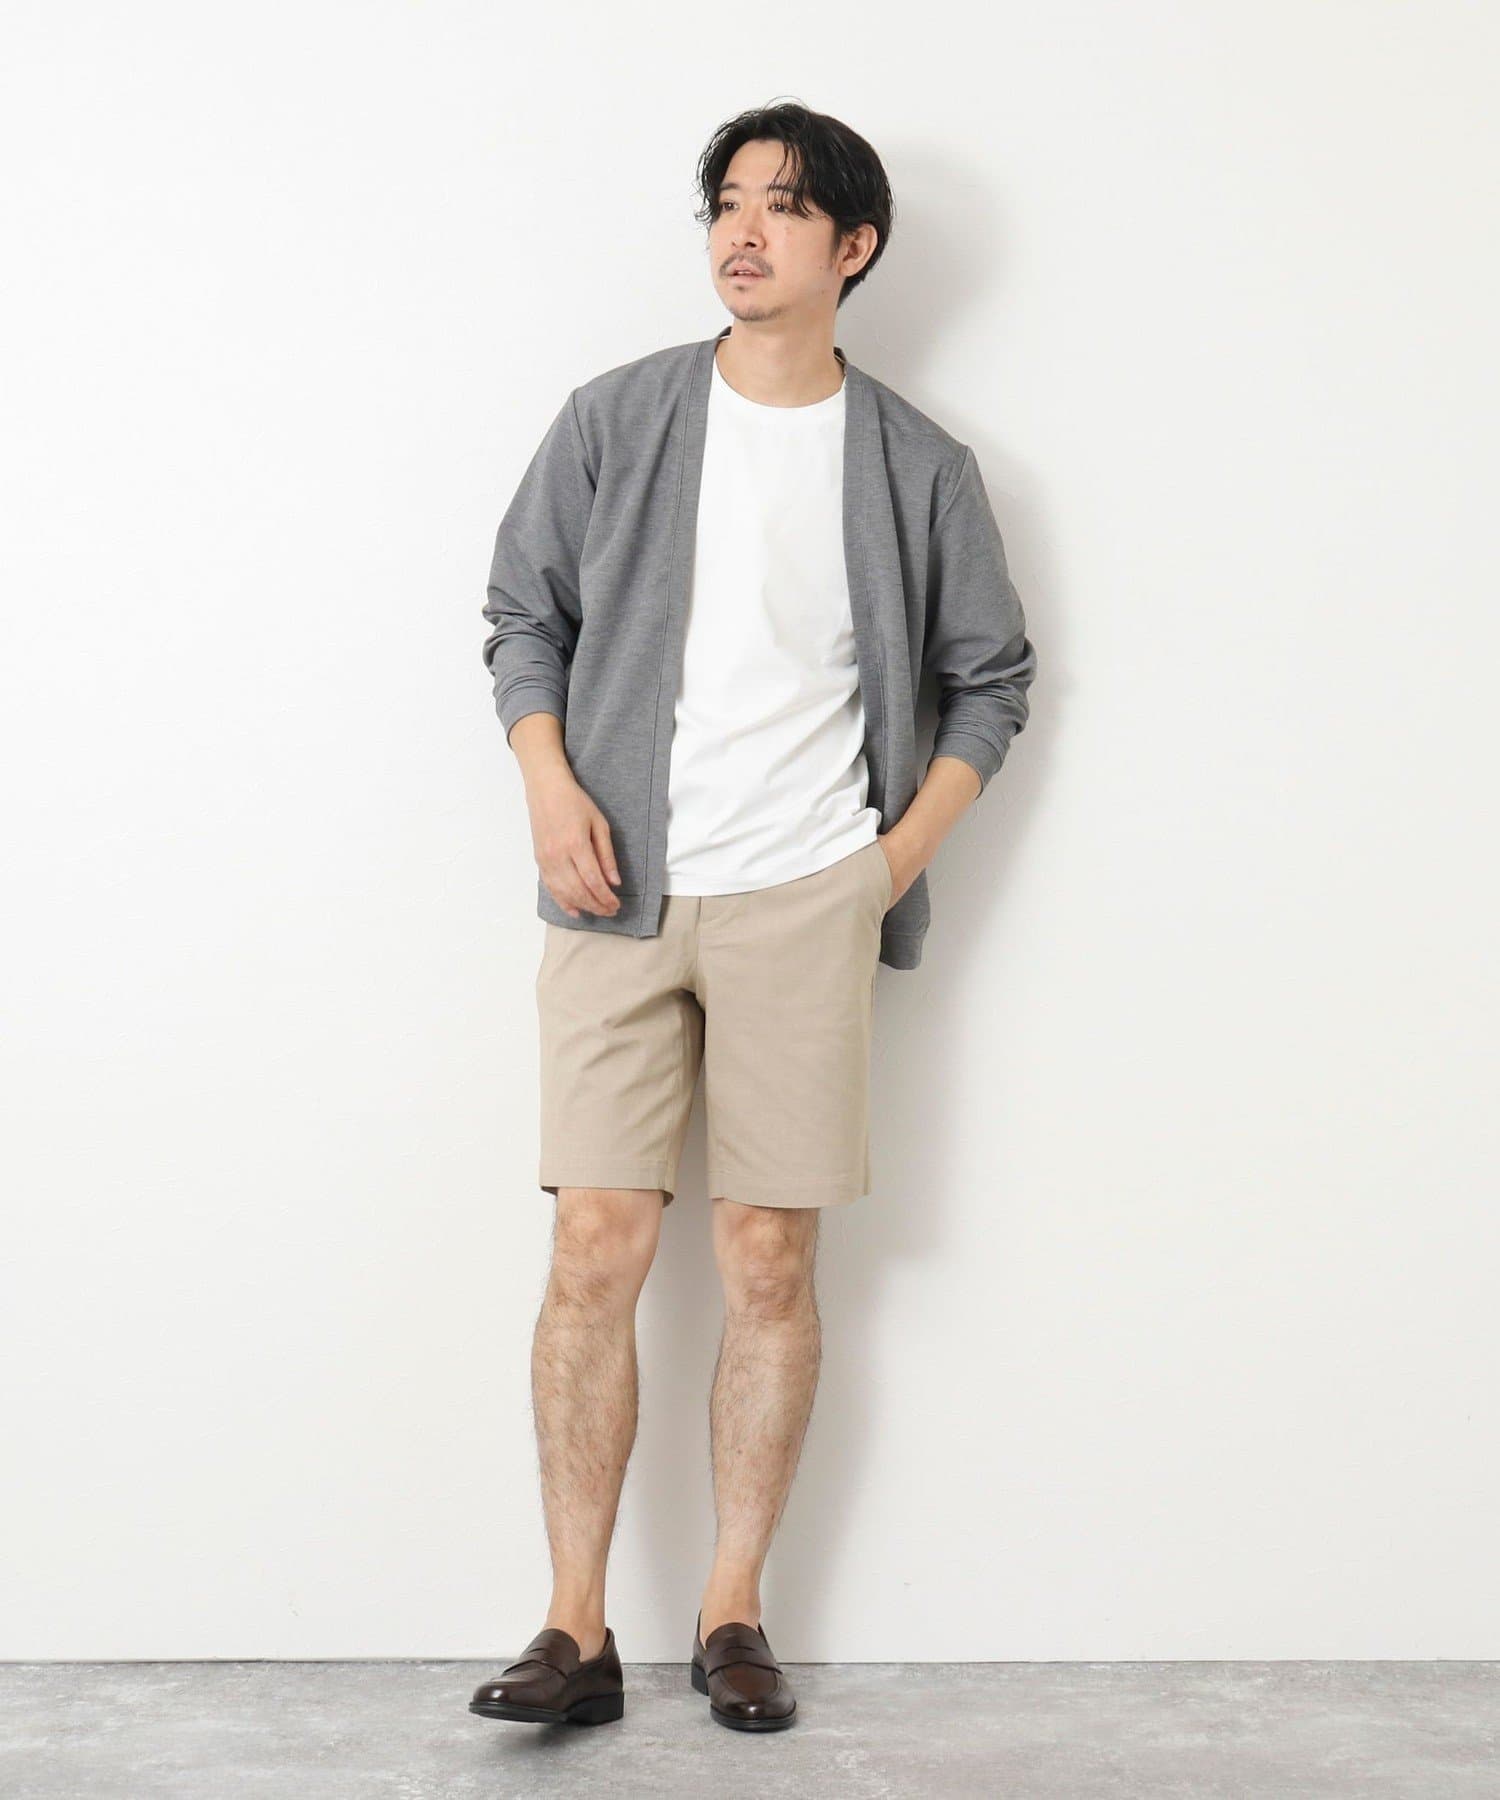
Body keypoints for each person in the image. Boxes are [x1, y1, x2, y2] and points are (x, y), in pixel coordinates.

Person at [469, 100, 1037, 1734]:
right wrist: (549, 784)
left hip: (806, 897)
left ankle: (733, 1611)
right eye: (728, 202)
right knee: (595, 1241)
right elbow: (522, 615)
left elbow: (992, 682)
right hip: (615, 892)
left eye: (785, 208)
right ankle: (574, 1628)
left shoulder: (917, 466)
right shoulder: (617, 418)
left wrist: (885, 866)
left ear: (853, 247)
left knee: (769, 1260)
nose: (745, 230)